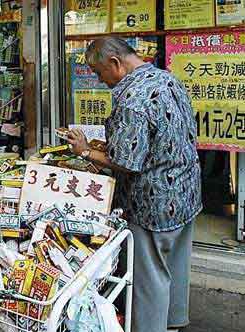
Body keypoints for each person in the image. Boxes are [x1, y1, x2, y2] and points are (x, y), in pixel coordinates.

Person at [66, 37, 202, 332]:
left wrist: (86, 151)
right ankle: (174, 321)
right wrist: (111, 145)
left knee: (149, 276)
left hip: (153, 202)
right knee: (176, 266)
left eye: (101, 74)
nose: (102, 82)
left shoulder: (131, 98)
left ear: (115, 63)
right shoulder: (167, 78)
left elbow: (127, 162)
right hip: (186, 191)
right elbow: (160, 136)